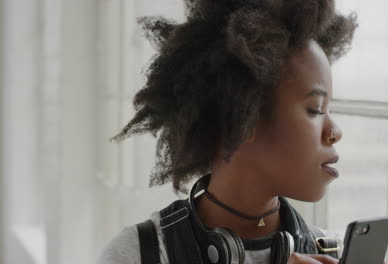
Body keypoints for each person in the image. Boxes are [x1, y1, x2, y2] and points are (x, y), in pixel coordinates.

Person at [97, 0, 364, 263]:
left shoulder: (335, 256)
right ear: (243, 118)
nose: (334, 132)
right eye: (316, 109)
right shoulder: (137, 255)